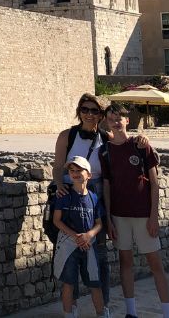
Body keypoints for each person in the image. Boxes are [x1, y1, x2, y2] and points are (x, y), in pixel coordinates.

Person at [52, 93, 150, 315]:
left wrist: (141, 140)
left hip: (95, 194)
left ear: (101, 115)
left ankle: (102, 306)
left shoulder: (105, 137)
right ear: (79, 112)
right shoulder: (67, 136)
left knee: (99, 254)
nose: (89, 114)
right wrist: (59, 185)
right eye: (85, 110)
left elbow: (124, 145)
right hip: (68, 193)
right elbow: (58, 166)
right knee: (69, 252)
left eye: (94, 111)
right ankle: (72, 307)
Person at [101, 103, 169, 318]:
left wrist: (153, 216)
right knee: (125, 262)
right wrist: (108, 219)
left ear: (127, 120)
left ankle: (168, 313)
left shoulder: (141, 146)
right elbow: (106, 186)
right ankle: (131, 312)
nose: (115, 121)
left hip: (143, 214)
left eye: (119, 118)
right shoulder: (104, 151)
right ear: (106, 122)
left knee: (155, 264)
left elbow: (154, 182)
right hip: (119, 215)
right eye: (111, 118)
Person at [53, 155, 106, 318]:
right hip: (69, 244)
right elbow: (57, 220)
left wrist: (88, 235)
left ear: (89, 175)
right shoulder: (64, 196)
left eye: (79, 170)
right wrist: (77, 237)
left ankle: (101, 313)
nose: (75, 174)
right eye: (72, 171)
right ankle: (69, 314)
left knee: (95, 283)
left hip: (88, 244)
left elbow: (99, 223)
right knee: (69, 283)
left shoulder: (93, 197)